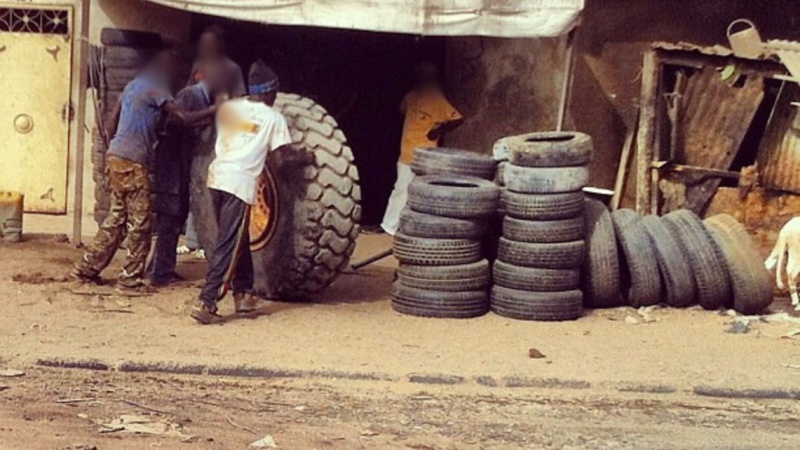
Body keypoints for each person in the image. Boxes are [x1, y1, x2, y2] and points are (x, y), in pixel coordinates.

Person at [70, 50, 218, 293]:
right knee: (140, 223)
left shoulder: (132, 86)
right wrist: (212, 112)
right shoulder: (156, 89)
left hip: (116, 157)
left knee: (116, 219)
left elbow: (110, 121)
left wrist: (116, 146)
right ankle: (129, 280)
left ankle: (86, 269)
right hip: (133, 162)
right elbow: (182, 118)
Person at [191, 61, 294, 324]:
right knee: (229, 243)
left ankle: (244, 295)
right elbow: (281, 161)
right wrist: (303, 157)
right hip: (239, 184)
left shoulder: (229, 109)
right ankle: (207, 300)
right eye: (275, 92)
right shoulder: (273, 118)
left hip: (217, 178)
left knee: (238, 239)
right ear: (270, 92)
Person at [180, 24, 247, 260]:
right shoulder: (200, 66)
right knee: (196, 186)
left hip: (222, 135)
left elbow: (239, 100)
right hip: (201, 133)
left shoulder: (232, 69)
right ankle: (192, 241)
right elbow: (189, 92)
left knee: (215, 187)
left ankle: (212, 240)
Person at [149, 75, 222, 286]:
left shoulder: (202, 98)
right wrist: (210, 113)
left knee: (174, 218)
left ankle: (160, 267)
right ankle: (160, 273)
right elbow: (174, 121)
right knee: (170, 219)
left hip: (179, 168)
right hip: (171, 167)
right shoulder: (191, 95)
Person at [380, 63, 463, 235]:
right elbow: (402, 109)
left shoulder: (435, 97)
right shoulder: (412, 96)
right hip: (407, 150)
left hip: (425, 154)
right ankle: (391, 226)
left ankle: (401, 227)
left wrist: (437, 130)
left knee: (417, 191)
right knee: (402, 189)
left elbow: (457, 119)